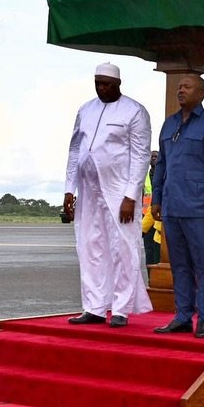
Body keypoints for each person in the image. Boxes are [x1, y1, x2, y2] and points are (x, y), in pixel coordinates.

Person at [63, 62, 153, 328]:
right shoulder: (85, 109)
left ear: (118, 84)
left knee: (122, 247)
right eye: (98, 84)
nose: (102, 89)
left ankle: (122, 308)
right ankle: (95, 307)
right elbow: (74, 150)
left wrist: (131, 195)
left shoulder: (134, 111)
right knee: (90, 246)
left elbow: (140, 155)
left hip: (119, 192)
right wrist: (69, 188)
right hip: (88, 189)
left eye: (107, 84)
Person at [152, 74, 204, 338]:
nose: (180, 90)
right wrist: (157, 199)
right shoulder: (169, 125)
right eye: (179, 87)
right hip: (173, 208)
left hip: (201, 210)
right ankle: (183, 315)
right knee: (180, 265)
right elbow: (161, 164)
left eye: (187, 87)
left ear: (201, 93)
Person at [142, 150, 160, 272]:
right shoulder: (144, 177)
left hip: (159, 219)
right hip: (147, 217)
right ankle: (151, 280)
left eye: (156, 156)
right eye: (151, 156)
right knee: (149, 252)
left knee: (158, 253)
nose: (153, 158)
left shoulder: (164, 174)